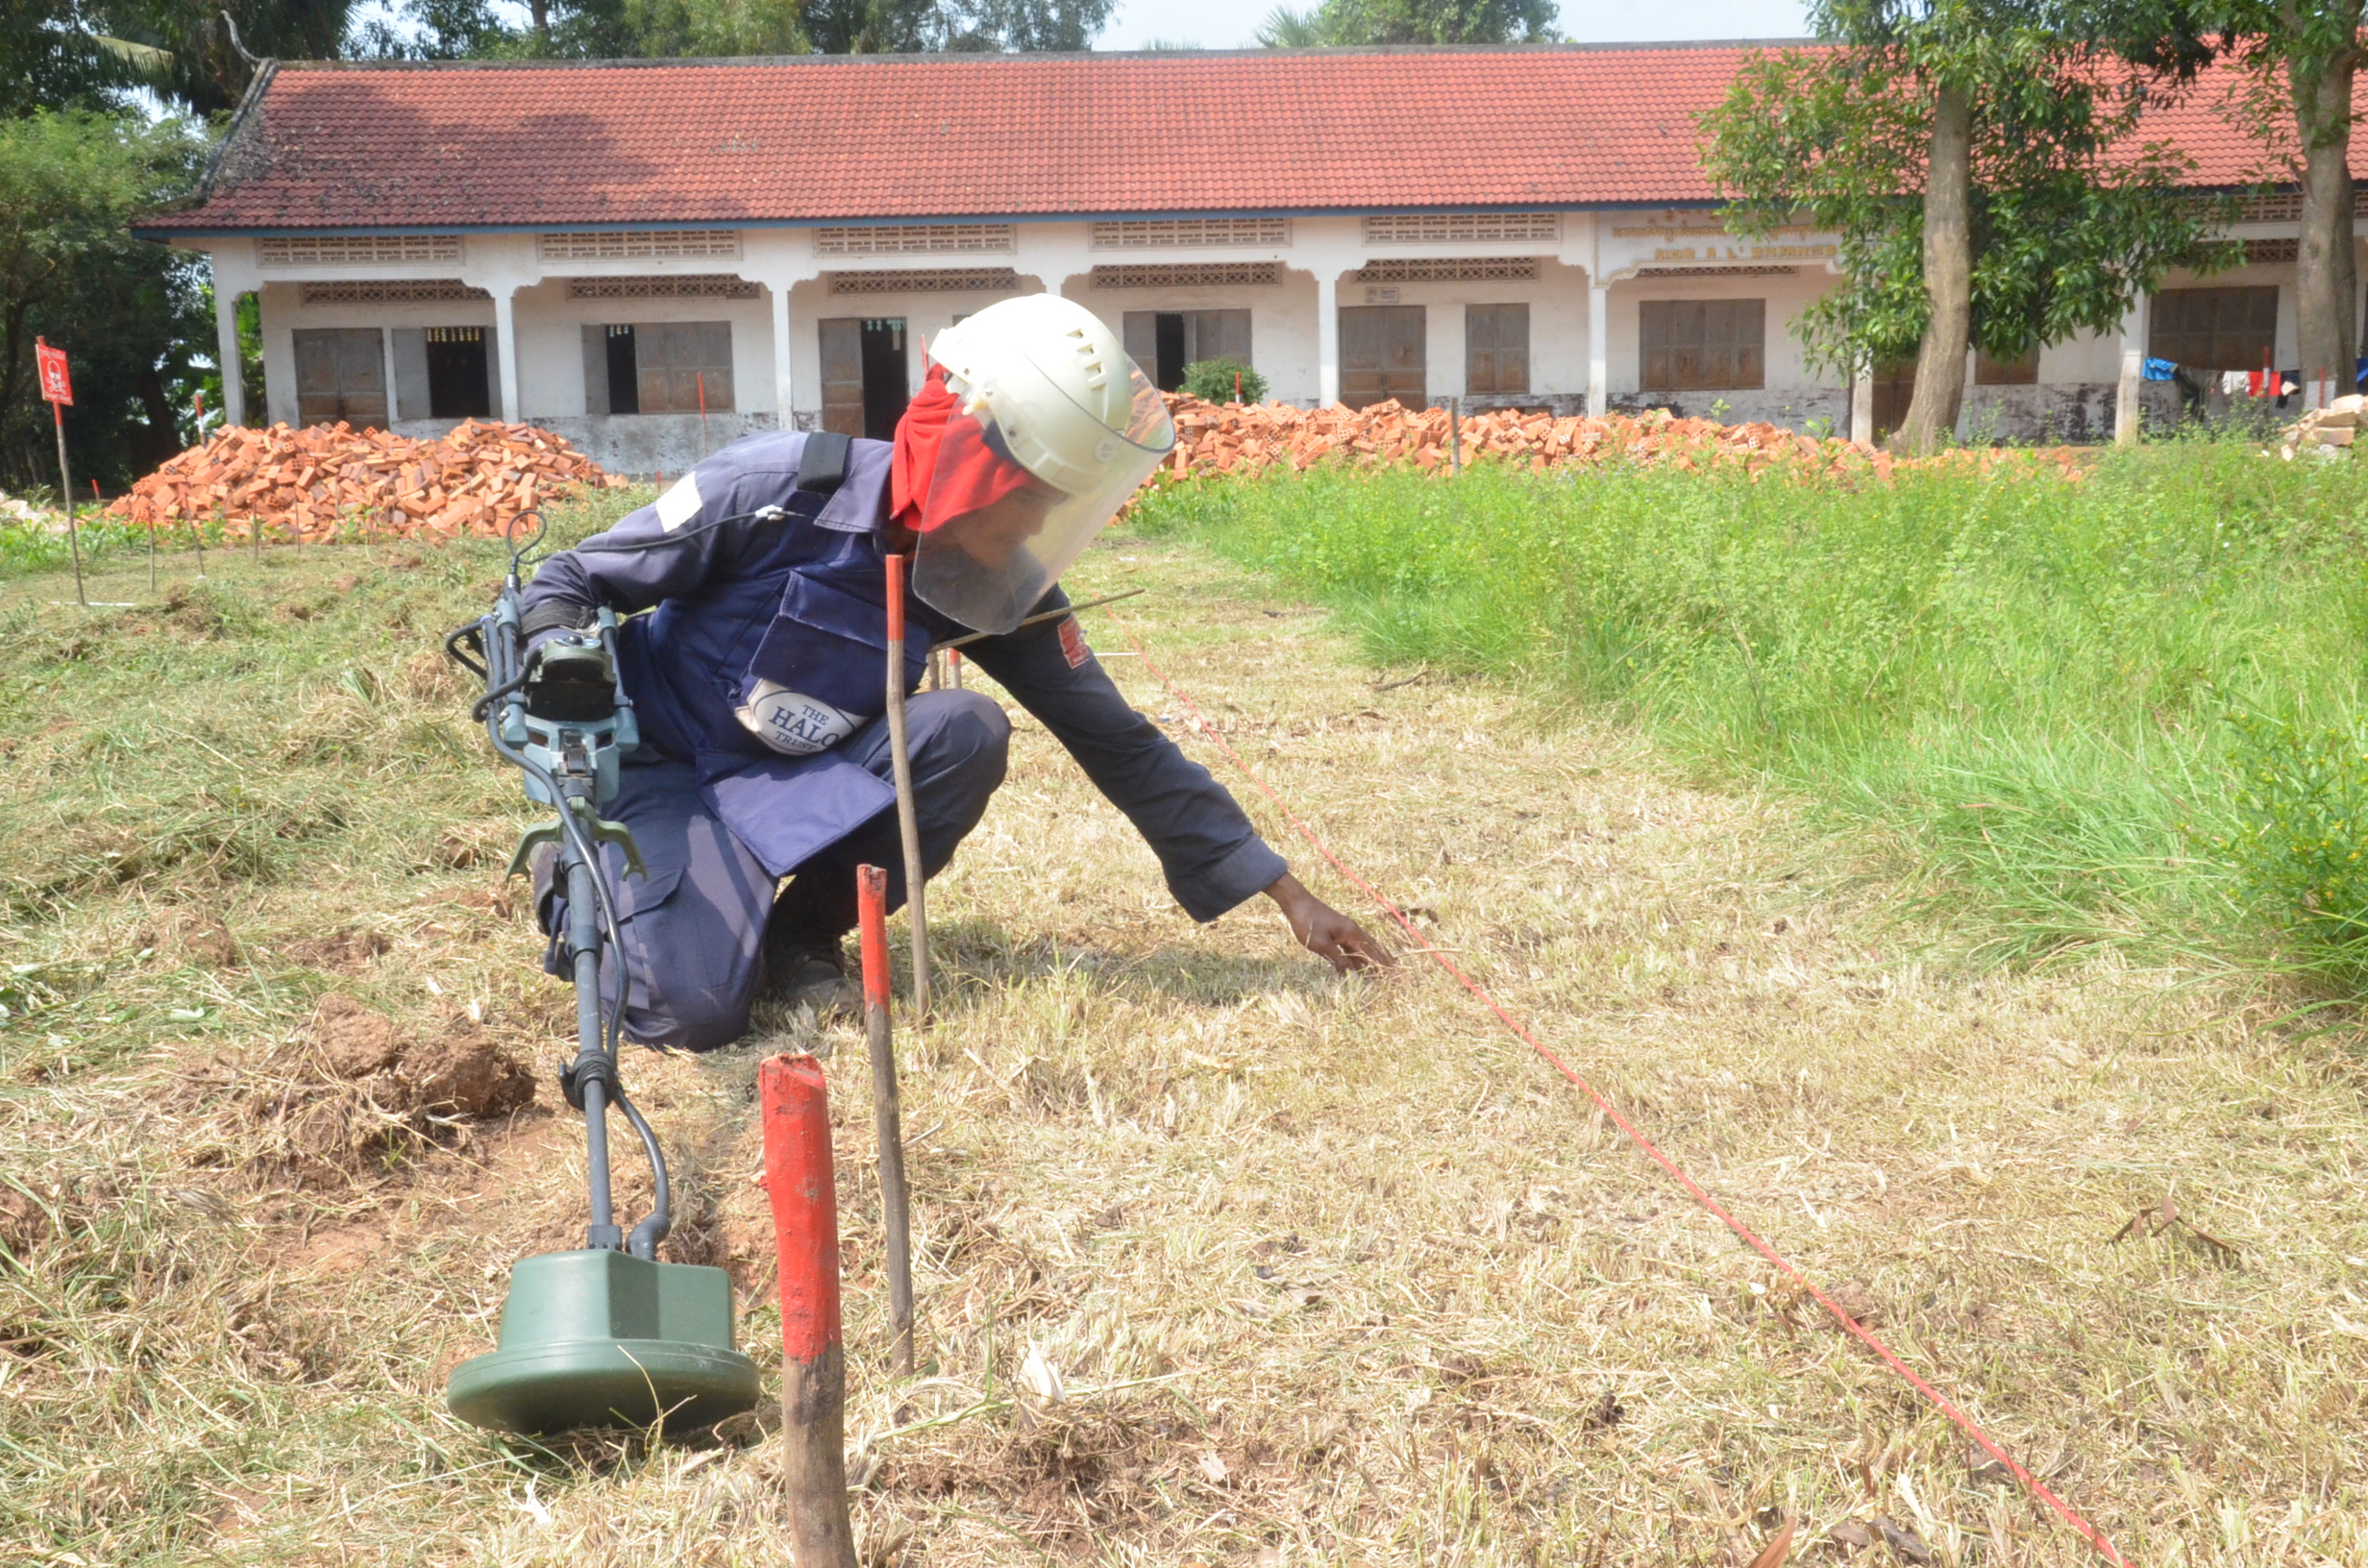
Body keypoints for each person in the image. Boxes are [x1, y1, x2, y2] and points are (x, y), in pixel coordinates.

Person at [516, 294, 1392, 1050]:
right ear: (970, 465)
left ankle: (801, 933)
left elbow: (1117, 740)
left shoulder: (989, 581)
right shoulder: (776, 488)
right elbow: (568, 578)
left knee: (965, 732)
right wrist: (561, 662)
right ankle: (586, 870)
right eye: (1030, 498)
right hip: (666, 770)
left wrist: (1286, 894)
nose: (1037, 525)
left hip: (793, 784)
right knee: (692, 1015)